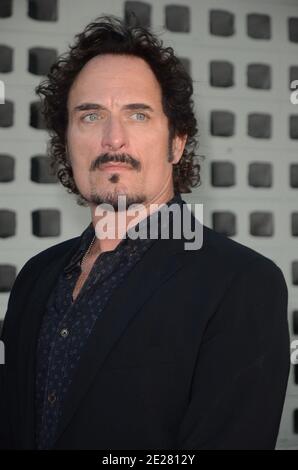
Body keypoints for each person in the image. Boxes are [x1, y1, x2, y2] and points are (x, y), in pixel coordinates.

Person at [0, 15, 290, 450]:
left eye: (137, 114)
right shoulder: (34, 277)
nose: (112, 139)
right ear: (66, 140)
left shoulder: (241, 284)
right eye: (91, 115)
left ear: (176, 143)